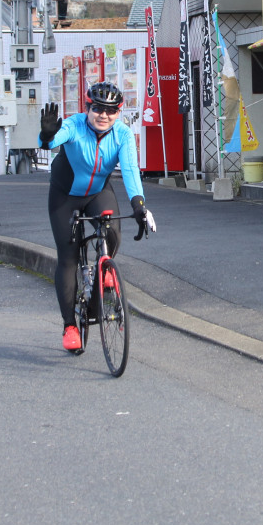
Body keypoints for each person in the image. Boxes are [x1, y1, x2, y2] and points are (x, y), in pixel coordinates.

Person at [39, 81, 156, 353]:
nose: (103, 115)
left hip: (96, 193)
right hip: (65, 196)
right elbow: (53, 140)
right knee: (67, 258)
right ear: (88, 108)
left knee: (113, 232)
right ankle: (70, 325)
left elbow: (129, 169)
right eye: (97, 109)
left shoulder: (123, 134)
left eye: (110, 111)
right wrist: (46, 136)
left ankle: (104, 271)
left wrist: (139, 205)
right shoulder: (74, 125)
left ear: (118, 112)